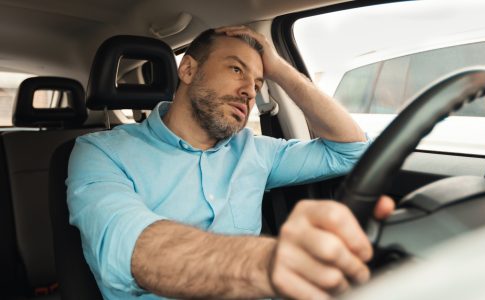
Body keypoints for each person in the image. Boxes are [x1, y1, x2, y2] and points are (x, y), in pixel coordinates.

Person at [67, 26, 394, 299]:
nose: (248, 92)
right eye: (236, 69)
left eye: (257, 84)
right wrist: (269, 262)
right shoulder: (98, 152)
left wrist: (278, 68)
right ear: (189, 70)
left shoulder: (256, 151)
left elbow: (352, 152)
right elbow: (128, 246)